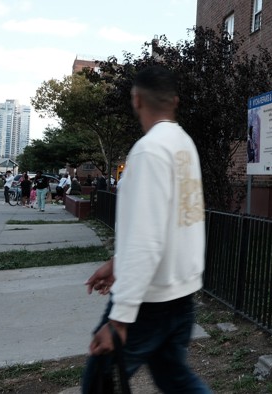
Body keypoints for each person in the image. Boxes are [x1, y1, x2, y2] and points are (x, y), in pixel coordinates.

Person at [82, 65, 210, 392]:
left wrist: (120, 318)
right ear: (175, 101)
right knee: (176, 379)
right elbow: (168, 223)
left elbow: (146, 239)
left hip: (148, 302)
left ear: (137, 100)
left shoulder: (149, 151)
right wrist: (117, 264)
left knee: (97, 383)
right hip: (180, 294)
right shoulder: (184, 145)